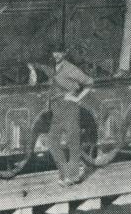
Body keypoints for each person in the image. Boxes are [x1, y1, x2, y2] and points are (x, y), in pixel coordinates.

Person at [30, 47, 94, 185]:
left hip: (69, 107)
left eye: (59, 52)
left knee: (73, 142)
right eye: (54, 52)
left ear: (64, 53)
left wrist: (77, 99)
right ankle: (65, 173)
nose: (56, 55)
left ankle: (73, 176)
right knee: (52, 142)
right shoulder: (54, 68)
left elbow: (89, 82)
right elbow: (41, 67)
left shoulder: (70, 68)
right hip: (57, 109)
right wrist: (31, 67)